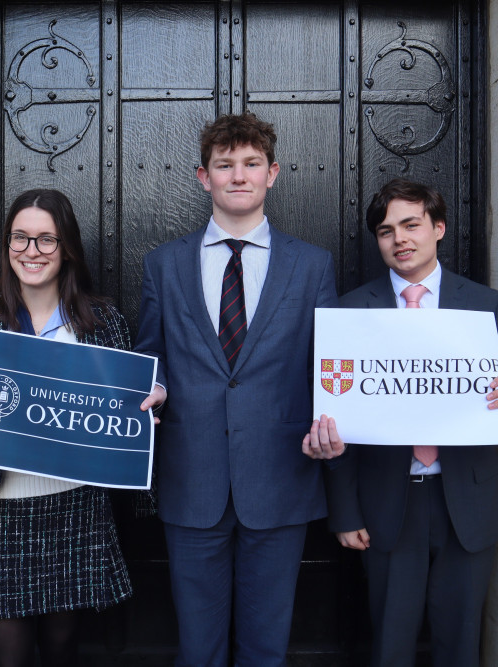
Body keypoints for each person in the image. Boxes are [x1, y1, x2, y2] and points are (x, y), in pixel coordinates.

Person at [133, 113, 343, 666]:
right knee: (197, 649)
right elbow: (151, 355)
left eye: (251, 164)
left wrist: (337, 424)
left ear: (272, 173)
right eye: (225, 165)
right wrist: (151, 388)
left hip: (280, 480)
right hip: (190, 480)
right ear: (204, 177)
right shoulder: (163, 265)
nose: (238, 176)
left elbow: (328, 367)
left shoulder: (312, 265)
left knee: (265, 648)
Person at [324, 178, 498, 667]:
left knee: (460, 646)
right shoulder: (349, 311)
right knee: (389, 646)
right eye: (385, 230)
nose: (399, 239)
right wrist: (344, 511)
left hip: (466, 501)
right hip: (385, 505)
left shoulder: (484, 304)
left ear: (438, 228)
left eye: (411, 224)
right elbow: (334, 419)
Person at [0, 189, 132, 667]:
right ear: (7, 245)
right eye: (20, 238)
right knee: (8, 658)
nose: (31, 251)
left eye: (46, 240)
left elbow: (127, 416)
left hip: (75, 508)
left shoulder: (102, 322)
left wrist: (143, 408)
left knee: (63, 649)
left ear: (67, 249)